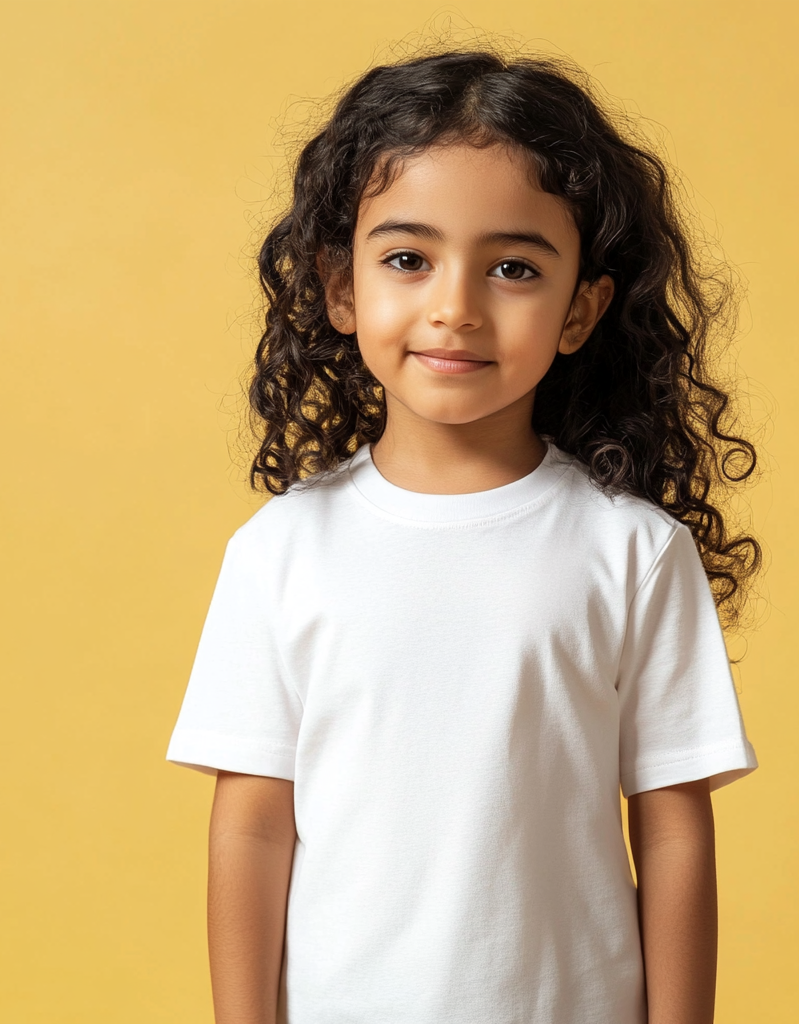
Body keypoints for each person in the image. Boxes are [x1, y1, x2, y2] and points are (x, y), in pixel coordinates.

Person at [167, 47, 761, 1024]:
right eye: (408, 257)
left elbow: (671, 829)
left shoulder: (633, 552)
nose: (456, 306)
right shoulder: (280, 550)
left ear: (580, 310)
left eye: (514, 268)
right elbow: (253, 828)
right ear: (341, 286)